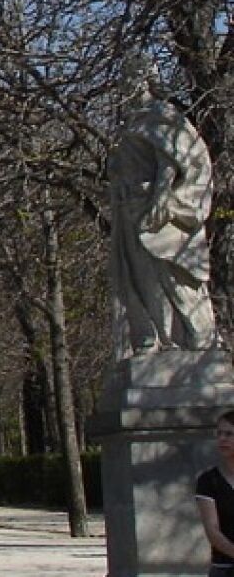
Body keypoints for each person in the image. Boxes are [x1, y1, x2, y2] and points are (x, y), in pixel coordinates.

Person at [109, 59, 217, 352]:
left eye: (130, 76)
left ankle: (196, 335)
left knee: (172, 273)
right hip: (130, 208)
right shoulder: (131, 121)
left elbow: (171, 159)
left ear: (145, 80)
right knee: (141, 279)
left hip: (157, 211)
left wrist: (162, 197)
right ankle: (154, 338)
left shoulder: (161, 115)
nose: (124, 84)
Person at [195, 409, 234, 577]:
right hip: (224, 569)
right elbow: (213, 530)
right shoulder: (208, 481)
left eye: (229, 434)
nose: (222, 439)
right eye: (219, 434)